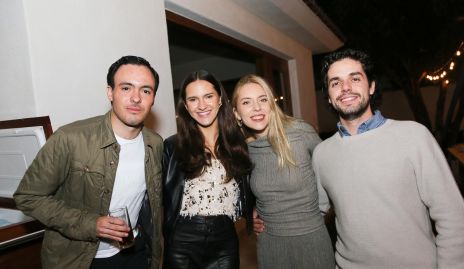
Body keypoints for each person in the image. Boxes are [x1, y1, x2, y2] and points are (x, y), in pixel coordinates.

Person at [313, 48, 464, 268]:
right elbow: (314, 211)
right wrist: (269, 215)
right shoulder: (322, 153)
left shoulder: (414, 136)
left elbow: (453, 217)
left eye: (355, 78)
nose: (345, 87)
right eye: (335, 82)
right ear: (328, 94)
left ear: (371, 86)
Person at [14, 55, 163, 269]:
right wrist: (91, 224)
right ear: (110, 92)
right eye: (126, 88)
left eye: (146, 90)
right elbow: (27, 197)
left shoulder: (155, 144)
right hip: (78, 260)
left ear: (153, 98)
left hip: (135, 254)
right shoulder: (70, 138)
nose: (136, 98)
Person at [232, 74, 335, 269]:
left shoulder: (300, 132)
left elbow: (330, 169)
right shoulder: (245, 151)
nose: (257, 108)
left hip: (310, 239)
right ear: (236, 113)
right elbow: (249, 192)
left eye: (263, 100)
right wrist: (252, 213)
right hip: (270, 244)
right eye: (246, 102)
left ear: (271, 103)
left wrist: (322, 209)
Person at [162, 70, 254, 269]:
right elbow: (157, 195)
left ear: (220, 99)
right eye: (193, 99)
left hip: (225, 241)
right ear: (186, 106)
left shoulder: (237, 144)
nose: (202, 105)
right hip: (182, 242)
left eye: (208, 96)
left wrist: (256, 210)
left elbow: (253, 184)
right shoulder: (172, 146)